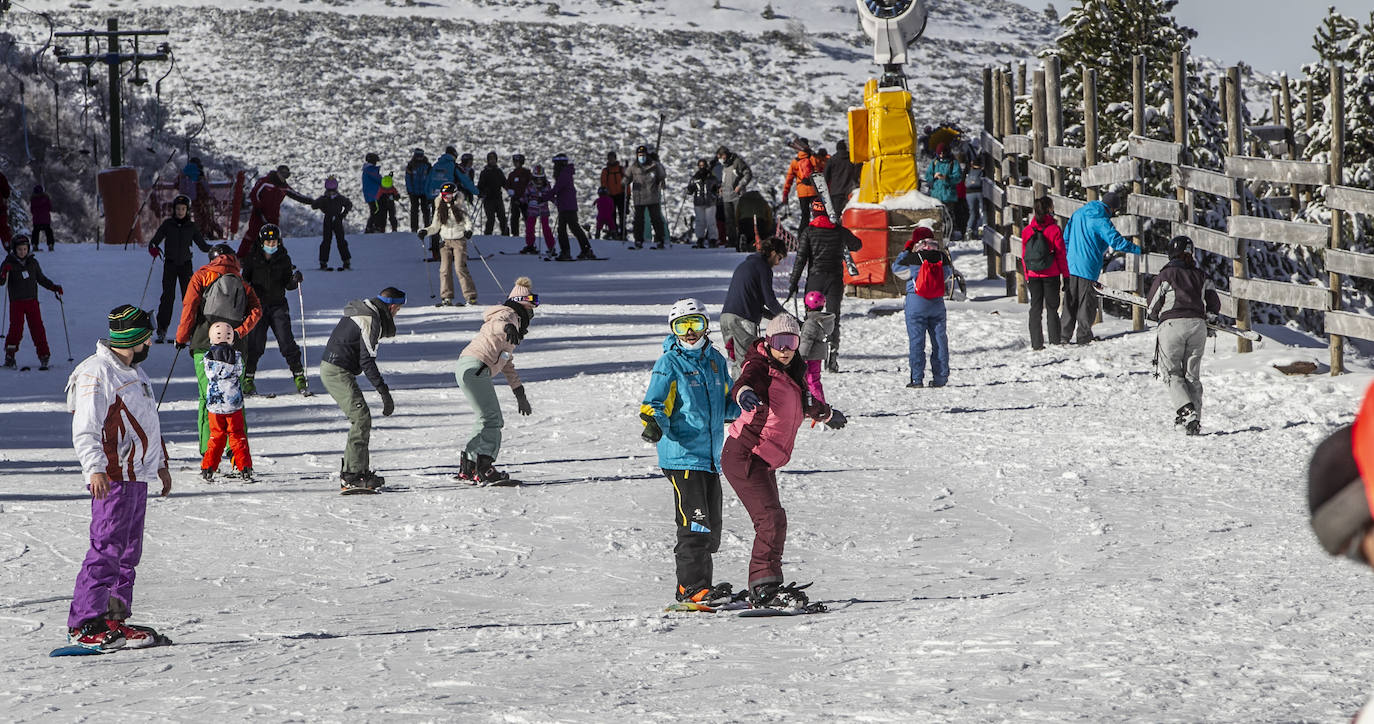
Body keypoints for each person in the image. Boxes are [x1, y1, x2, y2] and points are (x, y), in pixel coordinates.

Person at [63, 305, 171, 652]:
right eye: (147, 336)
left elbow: (147, 422)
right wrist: (94, 467)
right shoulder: (97, 372)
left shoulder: (134, 371)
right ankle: (83, 623)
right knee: (106, 549)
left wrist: (161, 464)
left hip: (136, 475)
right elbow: (85, 426)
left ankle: (112, 617)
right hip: (111, 476)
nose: (151, 342)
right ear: (134, 339)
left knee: (128, 553)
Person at [725, 313, 845, 609]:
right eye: (779, 342)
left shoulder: (792, 371)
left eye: (791, 341)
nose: (785, 348)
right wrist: (745, 394)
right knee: (771, 519)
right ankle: (764, 588)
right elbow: (744, 381)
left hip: (762, 460)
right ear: (769, 341)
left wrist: (826, 415)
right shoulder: (760, 365)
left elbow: (805, 402)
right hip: (745, 455)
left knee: (774, 519)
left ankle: (766, 584)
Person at [640, 298, 740, 605]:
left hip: (709, 457)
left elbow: (726, 403)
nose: (689, 333)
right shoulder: (669, 363)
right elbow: (654, 402)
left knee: (711, 528)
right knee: (694, 525)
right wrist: (654, 422)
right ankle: (689, 588)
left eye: (695, 324)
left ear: (705, 325)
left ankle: (703, 585)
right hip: (682, 456)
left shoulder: (715, 361)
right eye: (681, 326)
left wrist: (746, 406)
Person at [175, 243, 263, 455]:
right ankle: (237, 451)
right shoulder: (241, 282)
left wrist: (181, 338)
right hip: (236, 347)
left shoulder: (202, 276)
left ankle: (208, 450)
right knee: (235, 398)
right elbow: (257, 310)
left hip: (204, 343)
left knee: (207, 397)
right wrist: (239, 332)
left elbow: (190, 307)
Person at [319, 287, 404, 491]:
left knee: (362, 418)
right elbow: (367, 361)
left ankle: (360, 471)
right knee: (361, 417)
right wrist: (384, 392)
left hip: (337, 368)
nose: (397, 314)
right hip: (336, 371)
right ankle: (351, 475)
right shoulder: (369, 319)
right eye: (398, 309)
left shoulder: (367, 312)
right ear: (392, 307)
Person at [454, 277, 537, 485]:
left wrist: (520, 393)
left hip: (469, 367)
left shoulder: (513, 322)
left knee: (484, 418)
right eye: (531, 304)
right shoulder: (509, 314)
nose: (533, 310)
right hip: (476, 368)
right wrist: (507, 328)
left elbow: (507, 363)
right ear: (521, 303)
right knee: (493, 419)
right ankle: (484, 469)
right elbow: (498, 324)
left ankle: (470, 466)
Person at [1146, 235, 1220, 436]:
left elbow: (1152, 304)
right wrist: (1211, 318)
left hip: (1172, 325)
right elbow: (1214, 302)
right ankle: (1193, 419)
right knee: (1192, 375)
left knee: (1172, 373)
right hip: (1198, 326)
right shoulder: (1202, 276)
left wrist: (1153, 316)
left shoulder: (1167, 274)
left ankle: (1187, 412)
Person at [788, 198, 862, 373]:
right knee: (833, 319)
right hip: (835, 280)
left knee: (811, 320)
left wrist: (793, 283)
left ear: (814, 212)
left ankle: (808, 357)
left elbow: (801, 259)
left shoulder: (809, 231)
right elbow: (857, 245)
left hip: (815, 279)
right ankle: (832, 358)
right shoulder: (839, 231)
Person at [1062, 192, 1142, 344]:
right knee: (1086, 302)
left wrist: (1068, 256)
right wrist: (1137, 249)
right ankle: (1084, 336)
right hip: (1088, 266)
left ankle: (1063, 335)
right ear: (1112, 209)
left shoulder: (1078, 213)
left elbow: (1066, 237)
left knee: (1069, 300)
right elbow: (1116, 242)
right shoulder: (1101, 220)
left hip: (1071, 264)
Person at [239, 224, 307, 396]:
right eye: (268, 241)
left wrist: (295, 280)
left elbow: (288, 284)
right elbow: (244, 281)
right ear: (262, 242)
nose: (271, 243)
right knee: (255, 344)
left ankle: (299, 376)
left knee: (286, 342)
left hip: (278, 306)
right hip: (258, 307)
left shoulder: (283, 258)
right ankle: (248, 379)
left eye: (274, 240)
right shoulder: (252, 258)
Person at [892, 227, 952, 388]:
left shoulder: (912, 257)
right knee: (939, 340)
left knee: (917, 341)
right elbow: (947, 275)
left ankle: (917, 379)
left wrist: (906, 250)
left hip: (916, 303)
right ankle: (941, 377)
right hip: (937, 304)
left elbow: (897, 269)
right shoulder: (941, 257)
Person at [720, 237, 788, 378]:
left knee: (737, 362)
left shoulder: (746, 265)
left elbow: (759, 306)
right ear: (773, 253)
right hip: (742, 320)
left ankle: (735, 395)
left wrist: (778, 318)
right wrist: (789, 320)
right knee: (748, 361)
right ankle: (742, 397)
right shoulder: (763, 268)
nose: (777, 263)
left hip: (726, 318)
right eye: (779, 258)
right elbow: (770, 301)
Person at [148, 194, 211, 343]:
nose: (180, 211)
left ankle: (192, 329)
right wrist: (154, 249)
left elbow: (202, 246)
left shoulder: (191, 226)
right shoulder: (168, 224)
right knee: (167, 298)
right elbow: (154, 242)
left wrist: (216, 249)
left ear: (187, 210)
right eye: (178, 208)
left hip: (185, 266)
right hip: (170, 265)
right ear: (174, 210)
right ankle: (162, 330)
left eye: (183, 209)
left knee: (189, 298)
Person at [199, 321, 254, 481]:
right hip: (233, 404)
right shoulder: (236, 356)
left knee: (216, 436)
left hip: (215, 405)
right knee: (237, 435)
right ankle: (244, 466)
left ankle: (208, 466)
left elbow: (208, 375)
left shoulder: (208, 358)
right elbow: (239, 372)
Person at [1, 234, 62, 369]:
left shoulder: (33, 263)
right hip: (16, 303)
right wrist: (4, 272)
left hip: (32, 302)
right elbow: (1, 282)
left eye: (25, 249)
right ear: (14, 250)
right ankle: (10, 355)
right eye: (19, 249)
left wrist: (53, 287)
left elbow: (41, 279)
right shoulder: (8, 263)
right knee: (16, 329)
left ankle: (44, 355)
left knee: (37, 328)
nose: (22, 252)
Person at [1020, 196, 1068, 350]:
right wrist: (1065, 276)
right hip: (1051, 274)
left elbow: (1023, 255)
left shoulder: (1027, 231)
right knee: (1052, 308)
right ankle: (1054, 340)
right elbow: (1060, 255)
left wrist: (1027, 275)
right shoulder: (1054, 229)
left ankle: (1036, 343)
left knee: (1035, 308)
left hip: (1033, 275)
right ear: (1048, 209)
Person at [419, 182, 476, 306]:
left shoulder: (460, 205)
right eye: (444, 195)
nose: (446, 198)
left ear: (454, 194)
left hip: (459, 240)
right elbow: (435, 226)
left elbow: (468, 222)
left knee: (460, 268)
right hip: (444, 242)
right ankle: (446, 297)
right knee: (444, 269)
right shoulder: (440, 206)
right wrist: (425, 231)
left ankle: (470, 296)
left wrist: (468, 231)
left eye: (449, 195)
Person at [238, 165, 310, 257]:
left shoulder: (284, 187)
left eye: (286, 175)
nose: (283, 177)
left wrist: (314, 202)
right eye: (282, 174)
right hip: (259, 214)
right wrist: (259, 209)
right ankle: (241, 256)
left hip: (273, 216)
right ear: (277, 173)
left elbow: (297, 196)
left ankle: (280, 259)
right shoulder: (265, 182)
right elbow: (254, 194)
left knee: (275, 238)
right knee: (252, 235)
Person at [550, 153, 595, 260]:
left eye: (555, 164)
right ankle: (585, 250)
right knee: (572, 228)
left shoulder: (563, 174)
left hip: (567, 207)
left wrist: (543, 197)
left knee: (565, 229)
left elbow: (556, 189)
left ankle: (567, 252)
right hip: (567, 206)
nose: (554, 167)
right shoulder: (565, 173)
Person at [625, 144, 667, 249]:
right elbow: (625, 180)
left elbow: (662, 175)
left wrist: (661, 181)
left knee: (656, 219)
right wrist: (625, 180)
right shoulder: (633, 167)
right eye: (639, 154)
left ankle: (660, 239)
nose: (641, 156)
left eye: (643, 154)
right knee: (639, 220)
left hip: (652, 196)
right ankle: (638, 240)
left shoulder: (654, 165)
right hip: (639, 198)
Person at [798, 291, 835, 404]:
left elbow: (806, 341)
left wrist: (800, 356)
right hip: (817, 356)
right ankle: (816, 404)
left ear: (807, 307)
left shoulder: (811, 322)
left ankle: (818, 405)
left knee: (810, 381)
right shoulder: (822, 320)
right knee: (814, 380)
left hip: (809, 356)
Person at [781, 138, 822, 236]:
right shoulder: (813, 159)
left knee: (805, 215)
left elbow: (789, 179)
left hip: (802, 192)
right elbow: (821, 168)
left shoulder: (795, 162)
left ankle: (802, 237)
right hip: (814, 191)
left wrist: (785, 193)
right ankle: (818, 236)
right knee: (817, 215)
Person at [716, 146, 754, 251]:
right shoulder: (724, 166)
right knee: (729, 220)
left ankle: (742, 240)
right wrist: (721, 188)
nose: (720, 159)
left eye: (721, 156)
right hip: (726, 196)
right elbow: (725, 180)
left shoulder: (737, 162)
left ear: (726, 155)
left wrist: (740, 185)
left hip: (738, 195)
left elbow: (748, 174)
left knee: (739, 220)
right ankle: (732, 240)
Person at [312, 177, 353, 271]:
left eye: (332, 191)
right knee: (327, 241)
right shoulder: (327, 198)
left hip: (336, 220)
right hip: (330, 220)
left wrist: (343, 215)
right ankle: (324, 262)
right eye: (330, 191)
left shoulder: (337, 198)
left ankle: (346, 261)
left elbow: (349, 204)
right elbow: (314, 205)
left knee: (340, 241)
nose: (331, 193)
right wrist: (343, 214)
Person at [924, 144, 963, 237]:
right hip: (936, 194)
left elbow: (958, 177)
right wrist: (933, 177)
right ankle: (939, 234)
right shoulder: (934, 162)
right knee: (937, 217)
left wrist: (946, 178)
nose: (941, 155)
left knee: (948, 216)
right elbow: (928, 176)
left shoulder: (953, 163)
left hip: (948, 195)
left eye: (943, 153)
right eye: (939, 153)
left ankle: (948, 234)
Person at [521, 167, 555, 257]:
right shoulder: (530, 185)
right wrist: (523, 201)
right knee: (530, 227)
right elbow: (525, 195)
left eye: (541, 178)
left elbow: (550, 196)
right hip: (532, 209)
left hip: (543, 209)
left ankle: (551, 247)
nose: (539, 181)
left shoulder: (547, 186)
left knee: (546, 228)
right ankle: (530, 245)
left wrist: (557, 202)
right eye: (537, 178)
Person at [687, 158, 721, 248]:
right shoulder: (695, 178)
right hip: (699, 202)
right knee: (700, 221)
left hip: (710, 202)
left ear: (706, 166)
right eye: (700, 166)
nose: (702, 167)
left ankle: (713, 239)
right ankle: (700, 238)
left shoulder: (712, 177)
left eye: (703, 165)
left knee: (711, 221)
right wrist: (689, 189)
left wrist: (715, 192)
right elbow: (689, 189)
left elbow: (718, 187)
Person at [822, 140, 861, 214]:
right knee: (848, 213)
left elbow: (825, 177)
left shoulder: (832, 160)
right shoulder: (851, 159)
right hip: (849, 191)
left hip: (835, 191)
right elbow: (857, 174)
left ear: (837, 148)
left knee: (837, 214)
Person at [477, 152, 509, 236]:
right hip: (488, 199)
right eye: (490, 159)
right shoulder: (484, 172)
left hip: (498, 197)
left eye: (494, 159)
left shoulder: (499, 171)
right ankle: (487, 236)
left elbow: (504, 183)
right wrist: (481, 193)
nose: (492, 161)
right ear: (488, 160)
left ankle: (506, 235)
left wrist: (509, 190)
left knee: (502, 218)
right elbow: (480, 185)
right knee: (491, 219)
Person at [405, 148, 433, 234]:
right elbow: (408, 179)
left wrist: (429, 191)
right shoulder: (410, 166)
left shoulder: (428, 166)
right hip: (414, 192)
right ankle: (414, 228)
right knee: (414, 210)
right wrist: (410, 190)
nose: (419, 158)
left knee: (426, 210)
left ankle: (427, 227)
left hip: (425, 192)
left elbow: (430, 179)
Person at [600, 151, 627, 240]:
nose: (611, 160)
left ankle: (622, 232)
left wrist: (628, 194)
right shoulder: (606, 170)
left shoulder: (620, 169)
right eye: (609, 158)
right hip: (610, 196)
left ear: (615, 158)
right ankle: (614, 231)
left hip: (621, 194)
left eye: (612, 158)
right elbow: (603, 182)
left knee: (622, 214)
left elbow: (626, 182)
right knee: (612, 215)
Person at [507, 153, 532, 238]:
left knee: (527, 217)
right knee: (514, 217)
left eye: (518, 162)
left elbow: (531, 184)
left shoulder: (527, 173)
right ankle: (515, 234)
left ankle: (530, 233)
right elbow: (508, 185)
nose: (516, 163)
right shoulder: (512, 174)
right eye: (515, 162)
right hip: (515, 199)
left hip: (526, 199)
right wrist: (509, 191)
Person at [362, 152, 384, 233]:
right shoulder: (370, 170)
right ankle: (371, 227)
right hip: (373, 195)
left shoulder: (367, 170)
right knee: (376, 210)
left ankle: (372, 227)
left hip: (371, 194)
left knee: (374, 210)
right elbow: (379, 180)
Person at [965, 156, 985, 238]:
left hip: (969, 193)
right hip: (980, 192)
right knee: (983, 211)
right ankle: (983, 228)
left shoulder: (969, 171)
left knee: (972, 212)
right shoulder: (983, 171)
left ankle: (969, 230)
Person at [30, 185, 54, 251]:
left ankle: (35, 244)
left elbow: (32, 210)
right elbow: (50, 207)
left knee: (35, 231)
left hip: (36, 219)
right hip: (45, 219)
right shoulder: (46, 198)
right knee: (48, 231)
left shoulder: (33, 199)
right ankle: (50, 244)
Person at [0, 170, 11, 249]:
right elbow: (6, 193)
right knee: (3, 228)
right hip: (0, 208)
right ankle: (8, 246)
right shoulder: (1, 177)